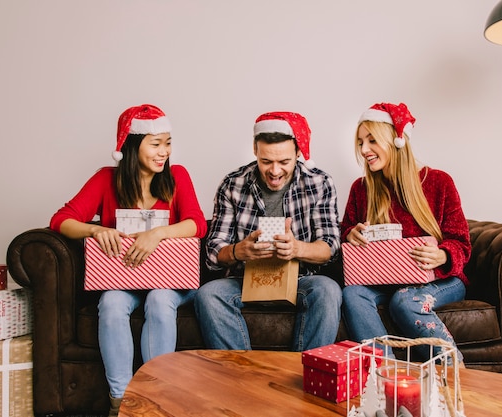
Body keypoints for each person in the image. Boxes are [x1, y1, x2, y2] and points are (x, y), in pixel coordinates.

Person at [49, 104, 207, 416]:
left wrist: (158, 234)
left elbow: (197, 224)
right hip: (124, 279)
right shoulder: (107, 179)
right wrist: (95, 230)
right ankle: (121, 401)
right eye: (156, 144)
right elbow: (61, 220)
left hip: (171, 280)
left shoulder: (177, 176)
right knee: (110, 303)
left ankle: (158, 397)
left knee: (160, 301)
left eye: (168, 143)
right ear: (133, 147)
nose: (164, 152)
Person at [194, 111, 342, 351]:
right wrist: (237, 251)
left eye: (284, 162)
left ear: (298, 153)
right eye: (266, 161)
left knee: (328, 290)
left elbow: (330, 246)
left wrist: (297, 248)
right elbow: (213, 251)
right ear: (255, 150)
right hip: (243, 280)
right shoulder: (233, 184)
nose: (274, 171)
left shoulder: (319, 183)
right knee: (208, 295)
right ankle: (244, 377)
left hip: (301, 279)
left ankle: (304, 374)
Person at [341, 101, 471, 363]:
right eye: (360, 143)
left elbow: (461, 243)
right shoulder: (361, 188)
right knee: (352, 293)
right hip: (383, 281)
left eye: (372, 141)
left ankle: (452, 364)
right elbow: (346, 230)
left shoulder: (438, 182)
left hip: (439, 280)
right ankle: (383, 370)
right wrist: (350, 235)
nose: (364, 150)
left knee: (405, 300)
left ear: (396, 141)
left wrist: (443, 256)